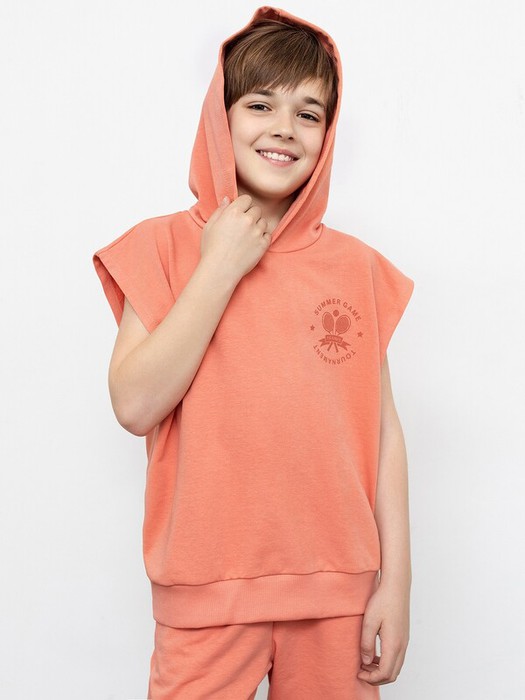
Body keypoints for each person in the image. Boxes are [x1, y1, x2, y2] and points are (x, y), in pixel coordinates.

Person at [92, 6, 414, 699]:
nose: (284, 127)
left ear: (328, 134)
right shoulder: (160, 248)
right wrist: (220, 264)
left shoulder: (356, 269)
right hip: (205, 591)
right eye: (260, 104)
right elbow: (135, 404)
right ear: (221, 115)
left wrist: (397, 583)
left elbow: (383, 434)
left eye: (308, 113)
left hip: (337, 592)